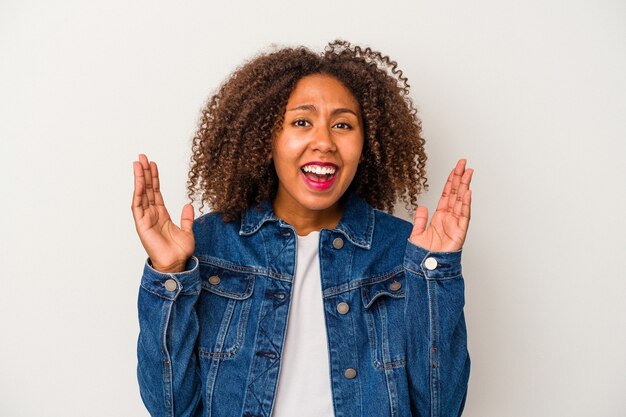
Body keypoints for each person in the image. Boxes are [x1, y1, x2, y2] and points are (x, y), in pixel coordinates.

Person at [131, 40, 473, 417]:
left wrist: (435, 273)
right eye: (301, 122)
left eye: (343, 125)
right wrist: (169, 275)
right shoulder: (209, 246)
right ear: (266, 139)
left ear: (367, 144)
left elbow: (442, 409)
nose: (324, 142)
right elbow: (171, 408)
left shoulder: (402, 252)